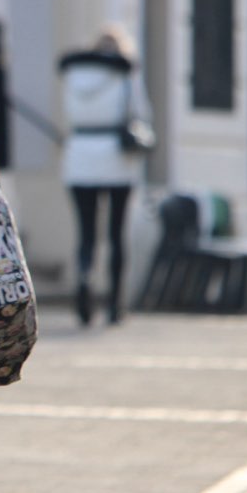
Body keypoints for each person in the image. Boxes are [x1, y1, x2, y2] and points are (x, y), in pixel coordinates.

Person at [57, 24, 152, 326]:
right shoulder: (126, 74)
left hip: (79, 154)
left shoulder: (74, 72)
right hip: (115, 157)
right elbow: (140, 113)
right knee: (115, 233)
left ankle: (84, 280)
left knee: (86, 234)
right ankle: (114, 301)